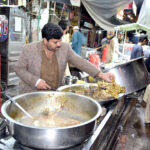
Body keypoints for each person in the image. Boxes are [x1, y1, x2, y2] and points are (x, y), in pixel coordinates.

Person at [15, 22, 115, 94]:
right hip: (32, 95)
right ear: (45, 41)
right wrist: (36, 81)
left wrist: (101, 74)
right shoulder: (29, 49)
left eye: (60, 40)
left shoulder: (64, 47)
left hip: (55, 94)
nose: (59, 44)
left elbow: (80, 62)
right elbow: (19, 69)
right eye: (55, 42)